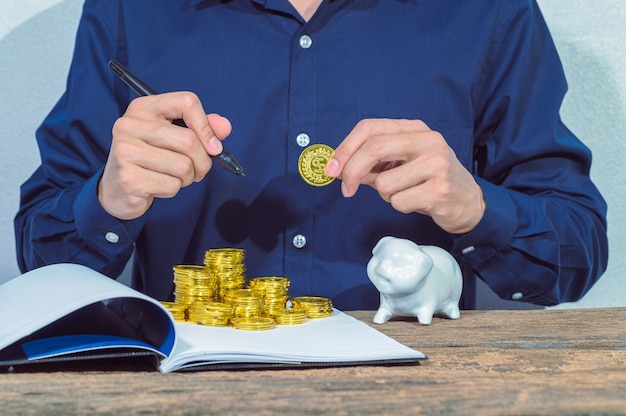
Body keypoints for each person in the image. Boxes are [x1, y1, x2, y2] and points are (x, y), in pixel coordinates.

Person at [15, 0, 608, 310]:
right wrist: (108, 201)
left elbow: (578, 252)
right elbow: (40, 257)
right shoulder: (129, 11)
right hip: (191, 395)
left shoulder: (489, 12)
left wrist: (479, 209)